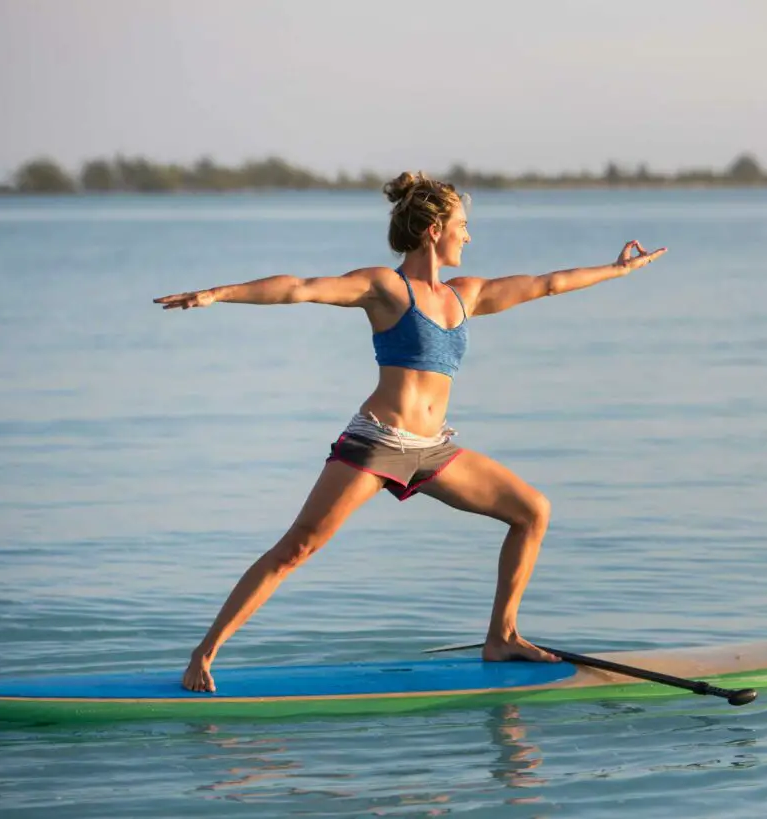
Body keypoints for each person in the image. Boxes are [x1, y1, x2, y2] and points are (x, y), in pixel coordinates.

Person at [154, 171, 667, 692]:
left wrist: (618, 271)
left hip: (433, 450)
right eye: (462, 226)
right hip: (378, 444)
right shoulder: (385, 288)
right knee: (298, 548)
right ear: (434, 230)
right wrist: (219, 293)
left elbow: (547, 283)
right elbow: (301, 288)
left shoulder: (466, 294)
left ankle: (503, 636)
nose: (469, 236)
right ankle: (205, 653)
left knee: (532, 511)